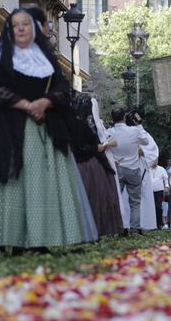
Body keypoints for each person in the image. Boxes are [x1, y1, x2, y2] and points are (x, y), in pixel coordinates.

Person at [0, 9, 96, 249]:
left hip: (40, 130)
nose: (22, 29)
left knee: (38, 184)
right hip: (6, 128)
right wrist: (25, 104)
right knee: (8, 185)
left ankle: (39, 238)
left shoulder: (45, 58)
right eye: (16, 25)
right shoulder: (0, 56)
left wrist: (45, 102)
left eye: (26, 24)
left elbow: (62, 86)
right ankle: (3, 239)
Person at [69, 94, 122, 237]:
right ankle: (93, 230)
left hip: (76, 164)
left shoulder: (72, 123)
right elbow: (81, 146)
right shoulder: (81, 124)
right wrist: (96, 148)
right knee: (94, 199)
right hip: (87, 165)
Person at [108, 107, 151, 234]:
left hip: (117, 168)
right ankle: (134, 229)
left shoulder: (109, 132)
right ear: (124, 117)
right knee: (135, 202)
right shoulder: (134, 130)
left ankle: (116, 229)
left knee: (116, 200)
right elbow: (146, 141)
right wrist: (139, 125)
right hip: (133, 168)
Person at [149, 158, 170, 229]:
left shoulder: (161, 169)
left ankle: (159, 224)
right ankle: (152, 225)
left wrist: (166, 187)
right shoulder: (147, 169)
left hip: (159, 191)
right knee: (151, 208)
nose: (154, 162)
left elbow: (166, 179)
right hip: (150, 192)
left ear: (157, 161)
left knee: (158, 207)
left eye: (155, 160)